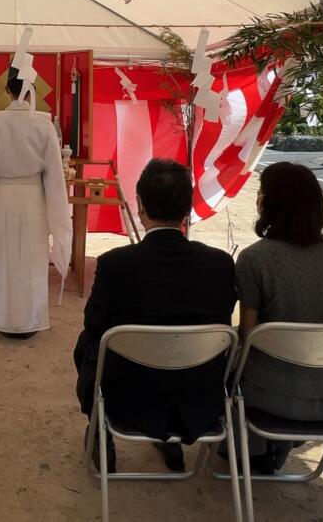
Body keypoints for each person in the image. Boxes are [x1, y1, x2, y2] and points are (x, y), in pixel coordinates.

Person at [73, 158, 237, 473]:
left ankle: (100, 424)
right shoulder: (219, 264)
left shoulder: (115, 264)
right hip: (198, 397)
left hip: (128, 397)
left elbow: (93, 324)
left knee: (88, 341)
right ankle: (170, 439)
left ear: (140, 206)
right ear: (188, 210)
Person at [235, 161, 323, 474]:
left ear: (270, 203)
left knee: (226, 350)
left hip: (275, 398)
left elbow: (248, 337)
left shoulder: (254, 259)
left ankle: (254, 447)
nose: (258, 198)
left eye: (261, 192)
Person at [0, 67, 71, 338]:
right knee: (31, 258)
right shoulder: (43, 122)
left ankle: (3, 318)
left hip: (2, 197)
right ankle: (30, 318)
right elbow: (55, 176)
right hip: (33, 197)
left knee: (3, 257)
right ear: (33, 89)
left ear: (7, 89)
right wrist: (58, 217)